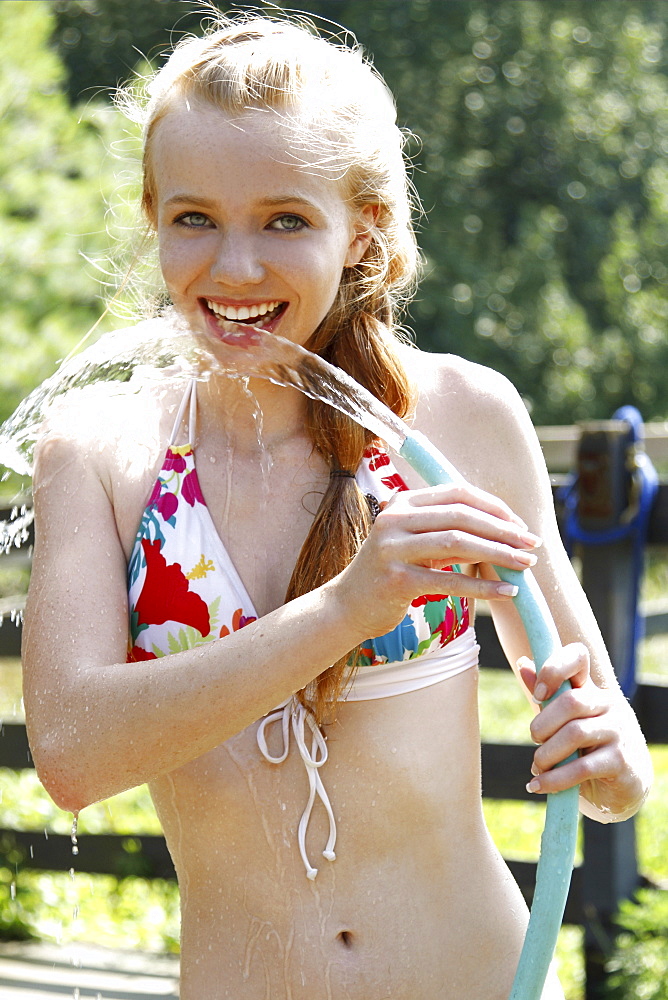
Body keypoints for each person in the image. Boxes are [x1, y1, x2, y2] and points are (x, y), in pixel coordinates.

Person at [22, 11, 652, 1000]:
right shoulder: (102, 454)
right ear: (153, 216)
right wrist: (346, 610)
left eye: (284, 219)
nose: (233, 267)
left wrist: (613, 764)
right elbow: (71, 752)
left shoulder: (459, 421)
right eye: (194, 217)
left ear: (360, 225)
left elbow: (606, 763)